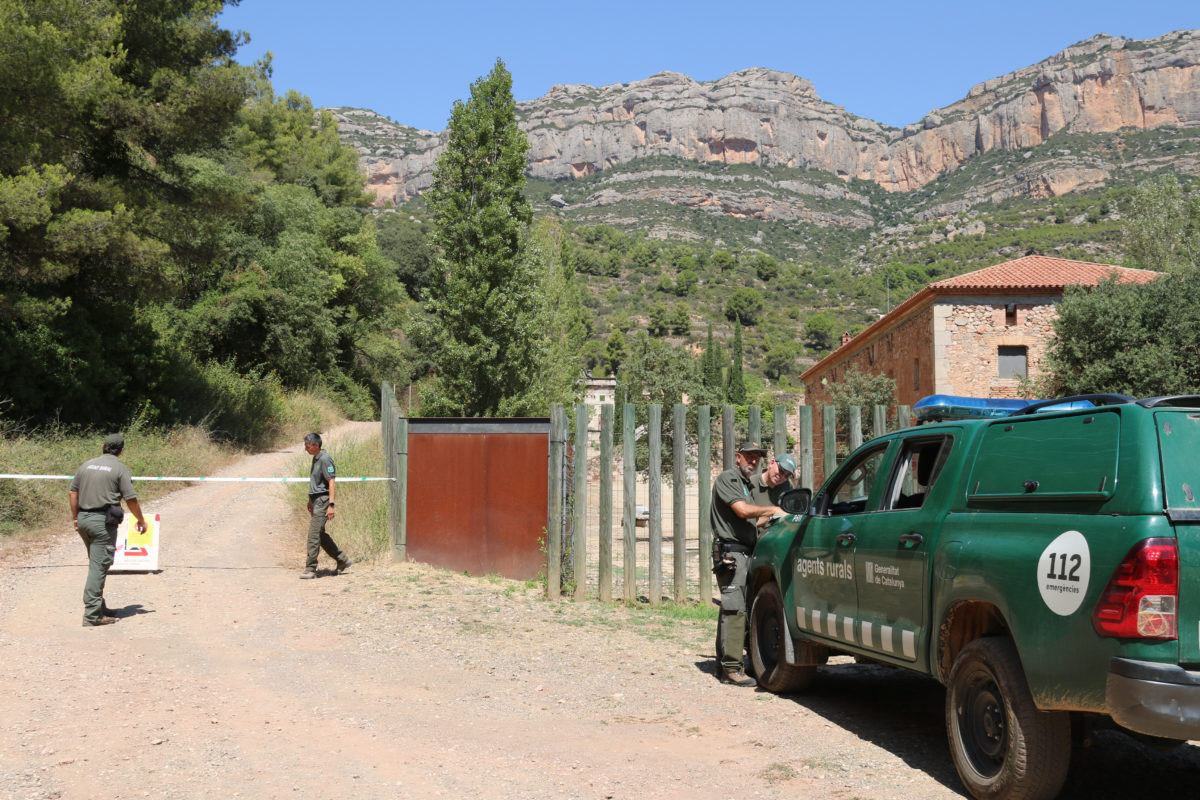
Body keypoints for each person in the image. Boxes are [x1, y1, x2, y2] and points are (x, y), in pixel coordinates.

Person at [710, 441, 785, 685]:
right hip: (732, 554)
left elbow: (753, 521)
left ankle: (727, 665)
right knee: (735, 610)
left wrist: (776, 515)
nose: (753, 461)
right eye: (749, 457)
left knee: (735, 608)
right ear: (738, 457)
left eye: (757, 458)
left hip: (744, 552)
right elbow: (742, 511)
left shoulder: (745, 484)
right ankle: (732, 669)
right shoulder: (728, 479)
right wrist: (773, 509)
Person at [68, 433, 146, 627]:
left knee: (97, 563)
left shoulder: (86, 465)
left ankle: (99, 606)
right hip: (102, 522)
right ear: (121, 450)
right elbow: (131, 499)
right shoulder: (120, 468)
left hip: (84, 519)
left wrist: (75, 517)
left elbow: (72, 491)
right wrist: (141, 519)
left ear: (102, 446)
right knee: (99, 566)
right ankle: (92, 615)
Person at [300, 433, 353, 579]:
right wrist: (310, 501)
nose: (306, 449)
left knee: (313, 535)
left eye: (308, 446)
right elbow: (316, 483)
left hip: (323, 502)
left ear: (316, 445)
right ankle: (342, 559)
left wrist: (331, 505)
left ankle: (310, 569)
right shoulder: (316, 458)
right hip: (316, 501)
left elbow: (331, 482)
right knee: (320, 536)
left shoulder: (325, 459)